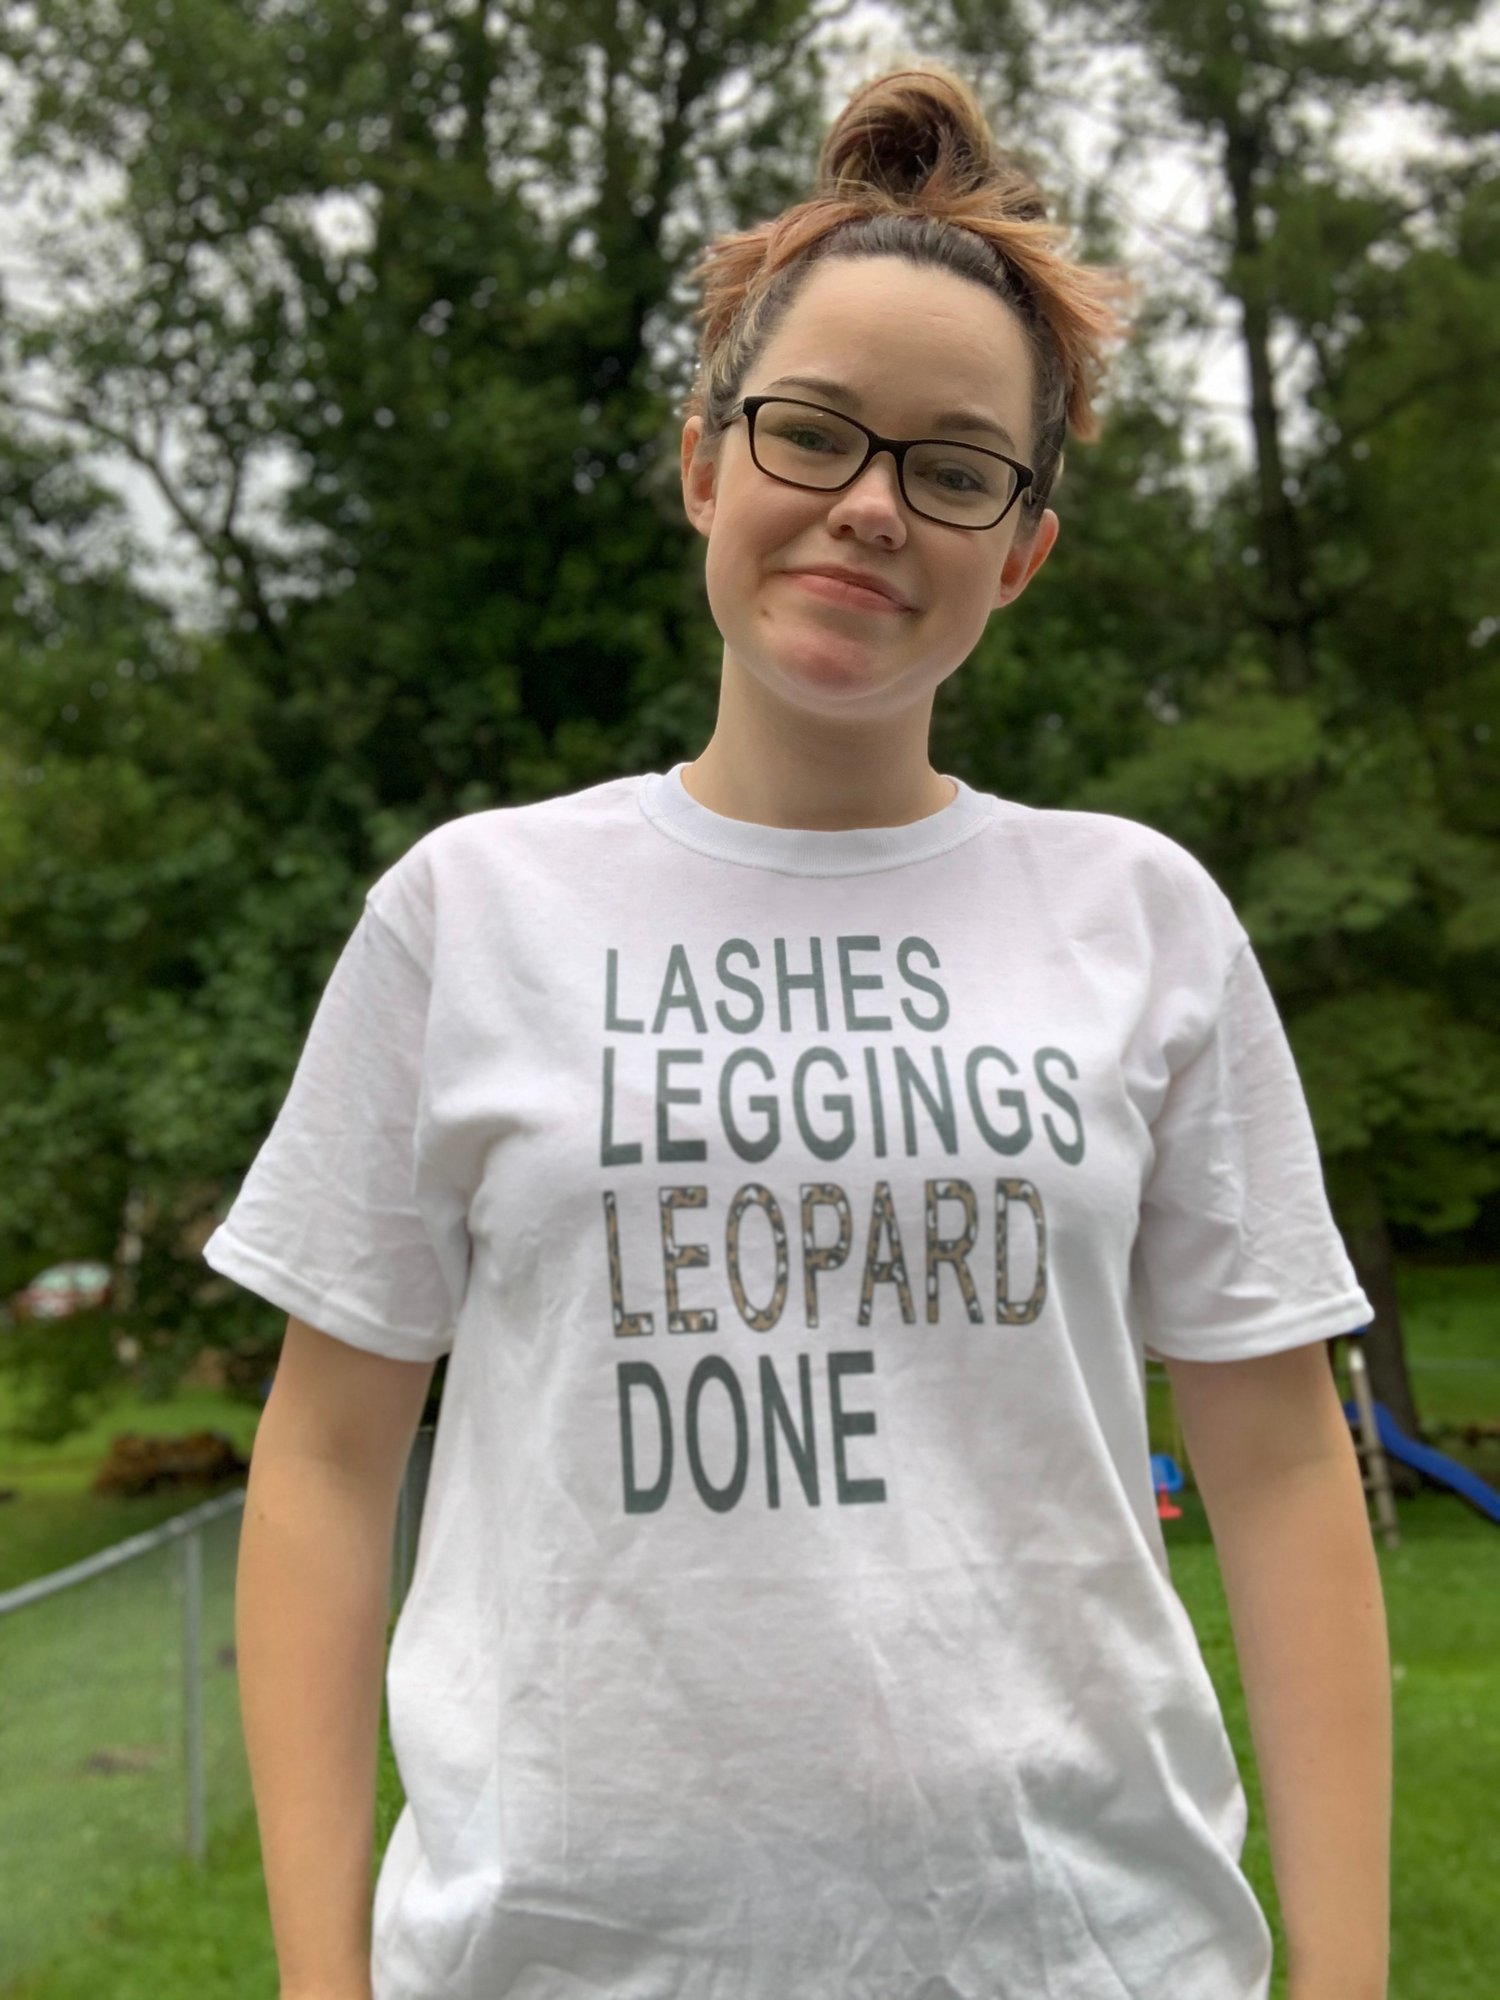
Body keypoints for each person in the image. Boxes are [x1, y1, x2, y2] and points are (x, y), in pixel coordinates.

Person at [207, 62, 1392, 2000]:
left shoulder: (1143, 916)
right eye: (813, 433)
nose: (867, 507)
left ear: (1022, 548)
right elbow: (330, 1458)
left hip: (1086, 1956)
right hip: (556, 1961)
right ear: (703, 462)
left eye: (953, 466)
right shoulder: (467, 910)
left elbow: (1272, 1462)